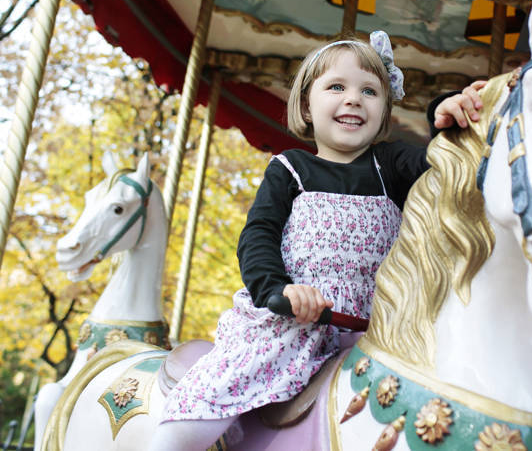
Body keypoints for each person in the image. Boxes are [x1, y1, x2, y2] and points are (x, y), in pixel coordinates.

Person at [149, 31, 485, 451]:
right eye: (337, 87)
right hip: (294, 325)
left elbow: (440, 160)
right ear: (307, 104)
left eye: (370, 90)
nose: (354, 99)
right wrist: (277, 290)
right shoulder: (290, 168)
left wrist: (445, 112)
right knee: (205, 405)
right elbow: (259, 235)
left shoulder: (392, 165)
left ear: (384, 111)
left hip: (377, 332)